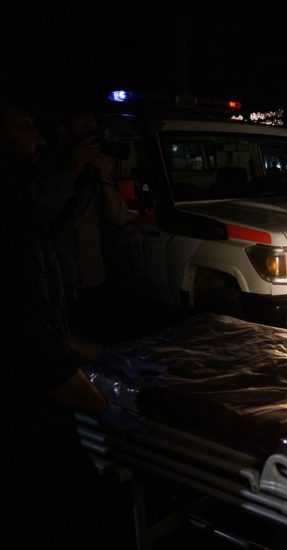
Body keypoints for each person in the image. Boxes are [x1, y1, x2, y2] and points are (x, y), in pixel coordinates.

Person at [0, 95, 132, 548]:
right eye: (24, 125)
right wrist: (100, 406)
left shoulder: (37, 199)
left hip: (84, 293)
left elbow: (118, 220)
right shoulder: (27, 202)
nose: (35, 136)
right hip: (25, 417)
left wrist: (104, 355)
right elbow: (37, 349)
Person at [29, 107, 128, 341]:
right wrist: (74, 166)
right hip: (56, 281)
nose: (91, 135)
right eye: (84, 129)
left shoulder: (94, 171)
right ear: (63, 132)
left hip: (94, 278)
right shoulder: (44, 167)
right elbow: (41, 207)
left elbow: (118, 217)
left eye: (94, 129)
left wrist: (105, 180)